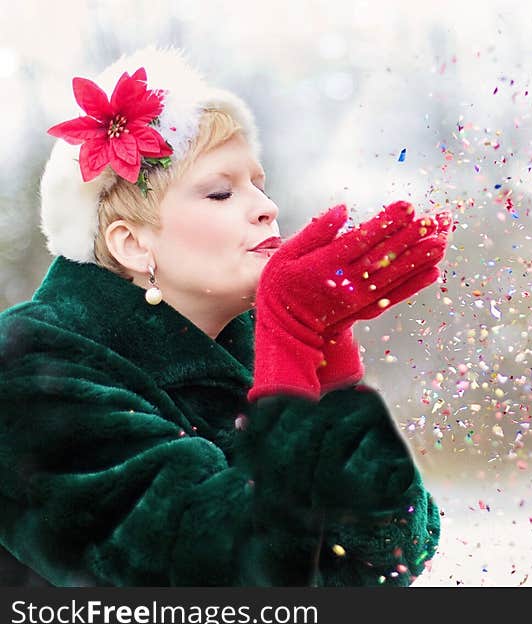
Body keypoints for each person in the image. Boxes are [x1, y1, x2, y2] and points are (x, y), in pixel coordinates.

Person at [0, 46, 448, 586]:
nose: (267, 207)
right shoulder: (27, 367)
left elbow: (393, 555)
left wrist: (329, 358)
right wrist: (292, 353)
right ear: (133, 244)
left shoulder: (255, 351)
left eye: (259, 183)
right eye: (220, 191)